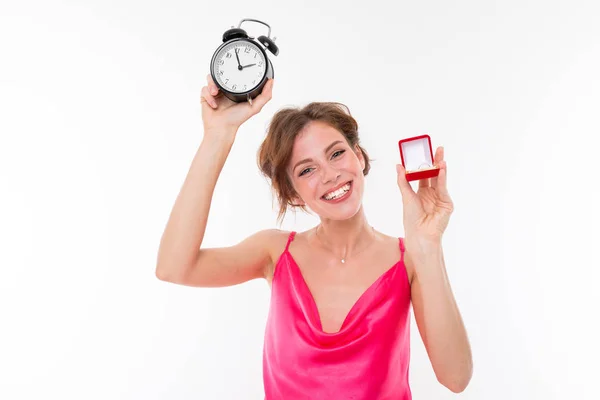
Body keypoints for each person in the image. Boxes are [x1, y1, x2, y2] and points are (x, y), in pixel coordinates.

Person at [156, 74, 473, 399]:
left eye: (336, 154)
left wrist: (428, 246)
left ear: (359, 157)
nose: (330, 175)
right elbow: (174, 267)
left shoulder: (410, 261)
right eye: (307, 170)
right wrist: (217, 135)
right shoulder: (274, 252)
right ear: (292, 194)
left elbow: (456, 378)